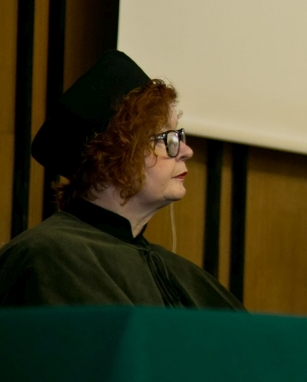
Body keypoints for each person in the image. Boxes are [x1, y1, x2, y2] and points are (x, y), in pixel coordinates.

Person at [0, 50, 244, 309]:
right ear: (111, 154)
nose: (186, 151)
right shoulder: (50, 255)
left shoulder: (183, 273)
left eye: (178, 135)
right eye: (167, 139)